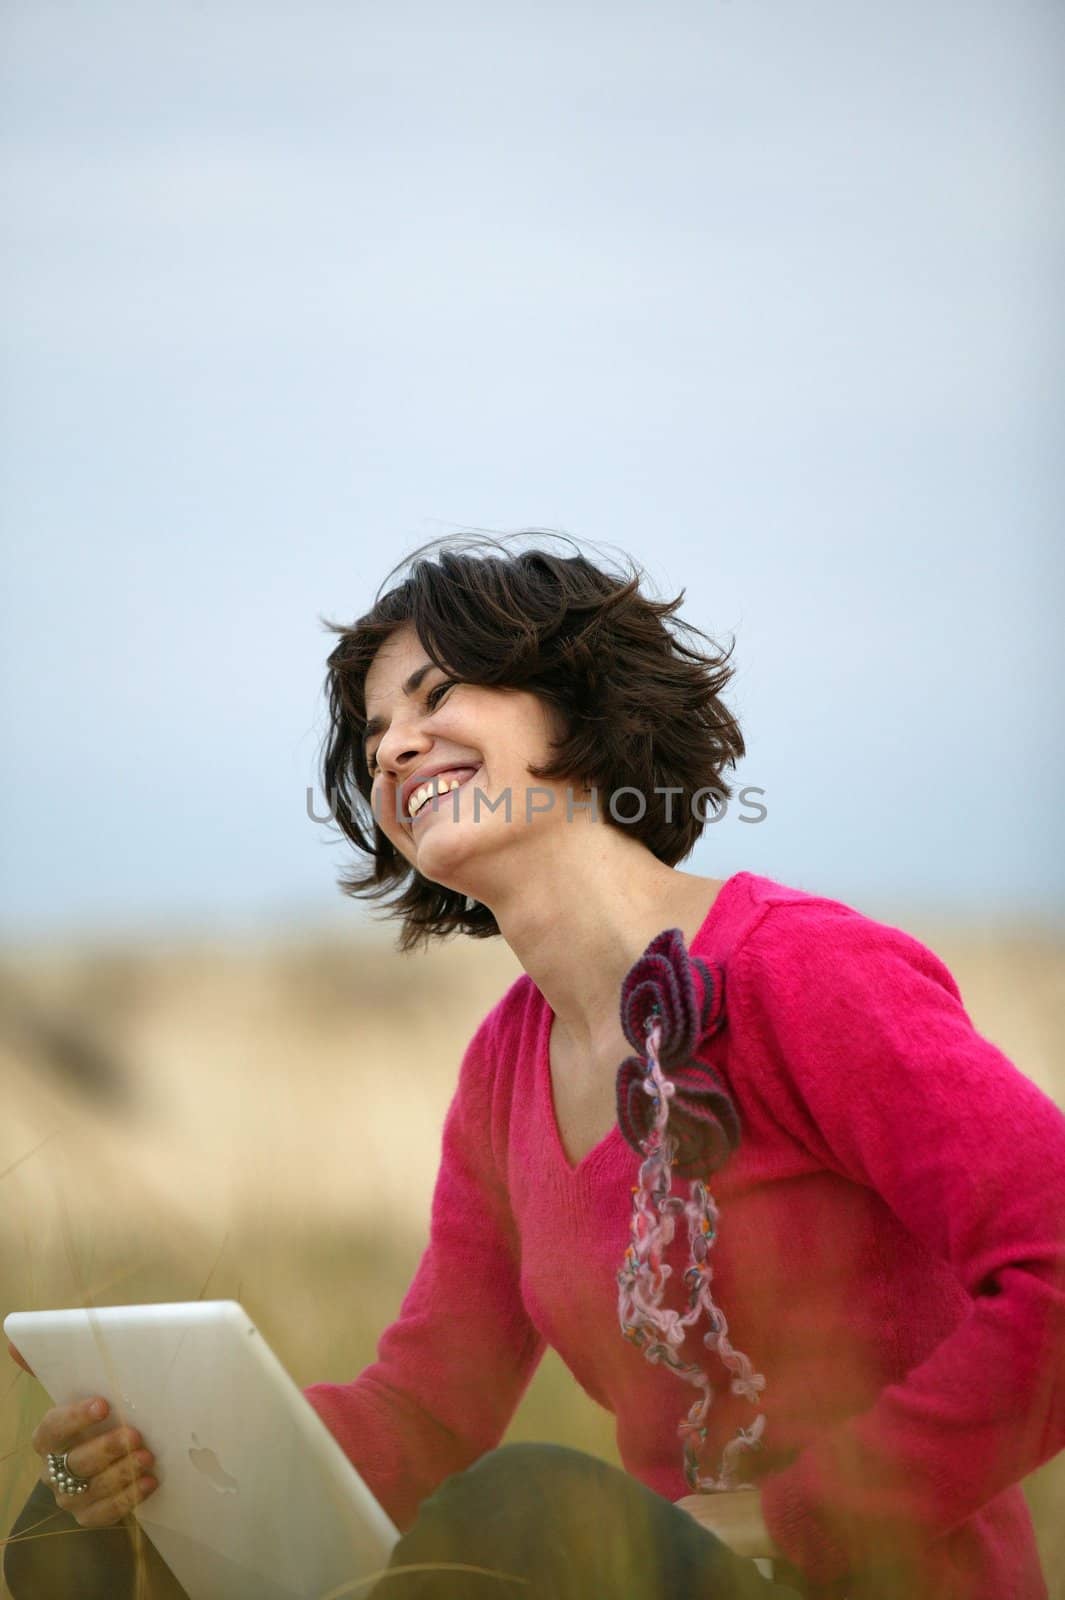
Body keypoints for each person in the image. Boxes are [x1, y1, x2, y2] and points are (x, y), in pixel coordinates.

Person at [6, 533, 1065, 1600]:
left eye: (437, 695)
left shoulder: (806, 973)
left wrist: (795, 1513)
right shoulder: (505, 1069)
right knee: (70, 1538)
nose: (395, 748)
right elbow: (424, 1414)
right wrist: (143, 1453)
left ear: (577, 703)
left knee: (530, 1515)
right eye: (375, 732)